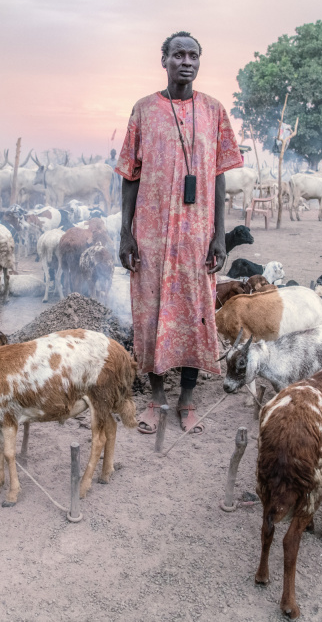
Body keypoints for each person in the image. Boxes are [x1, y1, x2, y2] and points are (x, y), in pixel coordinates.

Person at [115, 31, 243, 435]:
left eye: (193, 55)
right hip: (150, 235)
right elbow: (130, 177)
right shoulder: (144, 110)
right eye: (178, 55)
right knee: (150, 313)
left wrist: (220, 235)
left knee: (195, 312)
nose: (186, 61)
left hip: (196, 235)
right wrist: (125, 234)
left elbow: (219, 177)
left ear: (199, 62)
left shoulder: (214, 111)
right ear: (164, 60)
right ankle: (155, 400)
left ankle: (187, 401)